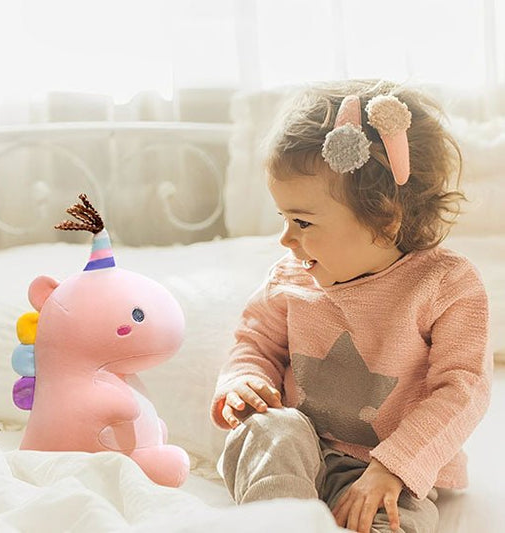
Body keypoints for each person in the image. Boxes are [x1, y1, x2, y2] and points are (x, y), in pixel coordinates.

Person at [209, 80, 493, 533]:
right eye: (283, 218)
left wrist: (394, 466)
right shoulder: (290, 276)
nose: (285, 239)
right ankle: (281, 522)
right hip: (296, 444)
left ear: (384, 219)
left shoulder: (445, 284)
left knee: (397, 518)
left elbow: (463, 390)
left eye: (302, 222)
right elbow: (255, 341)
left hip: (386, 467)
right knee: (270, 430)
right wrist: (245, 380)